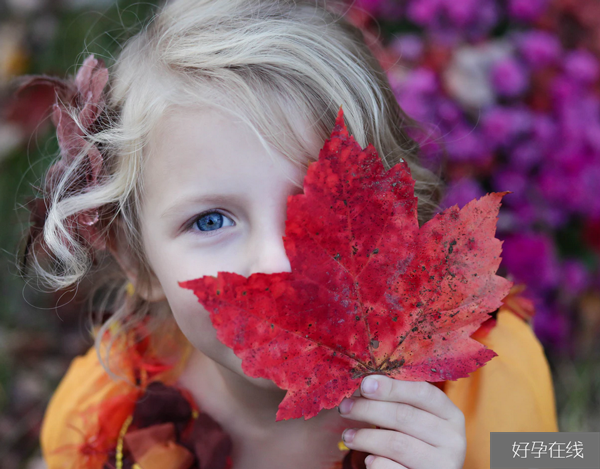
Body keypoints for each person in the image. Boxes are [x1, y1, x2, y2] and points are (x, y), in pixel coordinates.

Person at [16, 0, 558, 468]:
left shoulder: (490, 377)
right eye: (210, 221)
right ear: (137, 261)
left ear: (397, 220)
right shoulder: (103, 420)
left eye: (318, 206)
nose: (277, 264)